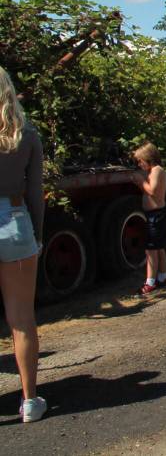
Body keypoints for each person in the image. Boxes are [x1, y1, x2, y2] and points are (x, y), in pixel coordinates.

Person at [0, 66, 47, 422]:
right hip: (16, 223)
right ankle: (30, 401)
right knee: (21, 318)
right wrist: (38, 235)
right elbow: (35, 194)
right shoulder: (26, 135)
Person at [131, 142, 166, 295]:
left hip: (157, 215)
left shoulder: (157, 171)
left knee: (151, 249)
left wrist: (141, 182)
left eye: (141, 161)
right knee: (158, 247)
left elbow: (152, 190)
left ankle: (150, 282)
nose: (139, 164)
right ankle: (162, 277)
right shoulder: (153, 171)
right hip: (155, 214)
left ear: (149, 158)